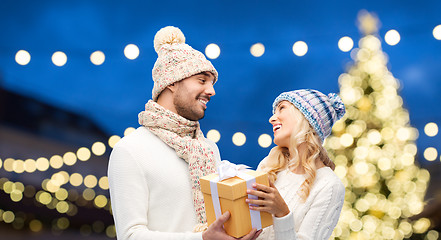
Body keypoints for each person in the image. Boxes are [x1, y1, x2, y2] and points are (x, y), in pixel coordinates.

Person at [108, 26, 261, 240]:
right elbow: (131, 235)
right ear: (171, 82)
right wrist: (202, 239)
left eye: (211, 82)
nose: (211, 90)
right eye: (202, 80)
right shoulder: (131, 150)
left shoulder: (208, 149)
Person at [246, 89, 346, 240]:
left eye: (282, 108)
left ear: (305, 118)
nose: (272, 119)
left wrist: (282, 213)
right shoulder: (269, 165)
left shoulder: (330, 186)